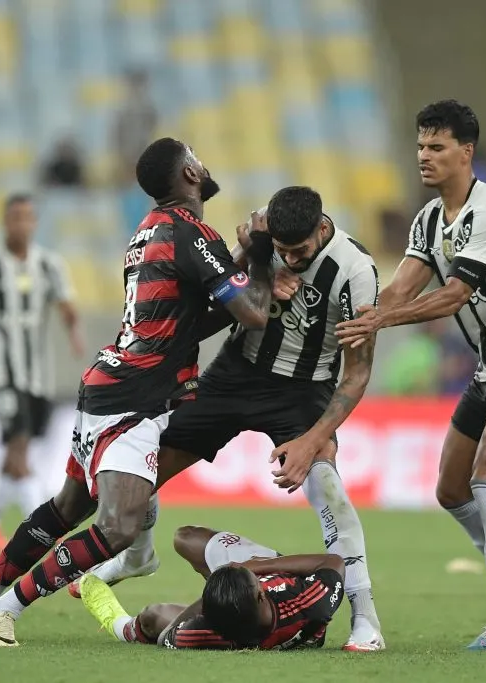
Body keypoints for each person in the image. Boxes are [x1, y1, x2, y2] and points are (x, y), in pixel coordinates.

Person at [0, 137, 276, 646]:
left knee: (66, 508)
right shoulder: (191, 234)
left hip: (106, 384)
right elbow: (251, 313)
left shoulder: (148, 232)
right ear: (189, 172)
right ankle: (5, 611)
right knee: (116, 527)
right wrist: (260, 256)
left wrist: (238, 259)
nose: (203, 161)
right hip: (134, 400)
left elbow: (187, 321)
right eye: (196, 155)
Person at [69, 186, 386, 652]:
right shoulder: (262, 233)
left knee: (331, 491)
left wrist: (313, 439)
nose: (291, 260)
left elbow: (357, 375)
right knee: (143, 462)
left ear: (322, 228)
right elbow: (216, 282)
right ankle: (137, 556)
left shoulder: (356, 271)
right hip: (234, 375)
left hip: (303, 392)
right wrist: (253, 262)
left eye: (300, 252)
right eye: (283, 250)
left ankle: (366, 623)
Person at [335, 100, 486, 651]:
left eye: (436, 147)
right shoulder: (429, 218)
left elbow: (454, 294)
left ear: (467, 152)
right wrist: (358, 317)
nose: (424, 156)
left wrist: (381, 319)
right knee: (450, 489)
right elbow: (401, 288)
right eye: (420, 146)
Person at [0, 194, 84, 551]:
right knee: (19, 446)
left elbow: (67, 306)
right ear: (4, 222)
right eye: (15, 217)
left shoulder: (49, 266)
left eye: (27, 218)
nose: (21, 224)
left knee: (17, 450)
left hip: (38, 376)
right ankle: (44, 531)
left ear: (35, 223)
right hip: (0, 374)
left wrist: (74, 332)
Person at [79, 526, 345, 651]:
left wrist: (201, 607)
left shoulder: (205, 633)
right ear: (261, 592)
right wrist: (260, 566)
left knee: (151, 617)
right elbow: (333, 561)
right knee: (186, 539)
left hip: (238, 607)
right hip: (276, 574)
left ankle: (120, 625)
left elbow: (166, 638)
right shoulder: (311, 602)